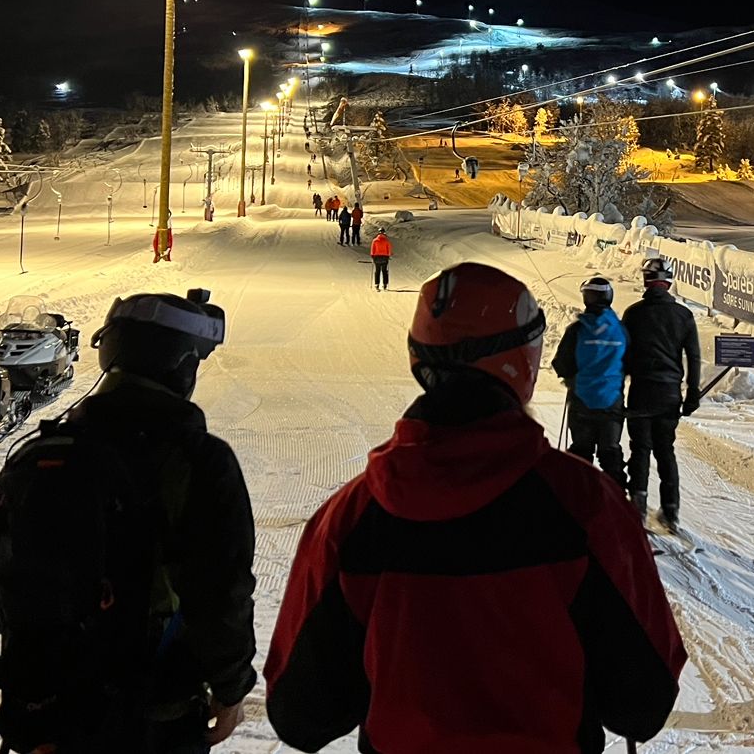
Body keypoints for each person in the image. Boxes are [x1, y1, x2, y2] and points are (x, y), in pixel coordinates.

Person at [263, 262, 684, 753]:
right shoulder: (586, 505)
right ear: (523, 361)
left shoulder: (353, 516)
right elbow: (643, 703)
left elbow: (301, 715)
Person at [0, 290, 257, 751]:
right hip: (151, 718)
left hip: (45, 717)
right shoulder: (199, 462)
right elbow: (221, 595)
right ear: (183, 367)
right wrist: (231, 689)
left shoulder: (40, 454)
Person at [620, 257, 702, 532]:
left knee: (640, 449)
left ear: (646, 281)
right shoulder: (683, 315)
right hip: (669, 393)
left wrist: (617, 391)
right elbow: (693, 356)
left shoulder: (633, 314)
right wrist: (693, 392)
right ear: (669, 282)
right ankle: (670, 510)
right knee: (665, 450)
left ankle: (638, 508)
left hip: (641, 391)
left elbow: (623, 357)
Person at [551, 276, 627, 487]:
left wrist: (572, 377)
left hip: (582, 402)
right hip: (612, 402)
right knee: (610, 453)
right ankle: (617, 497)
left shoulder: (577, 330)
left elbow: (561, 364)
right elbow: (630, 362)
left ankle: (579, 498)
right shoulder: (621, 330)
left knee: (581, 455)